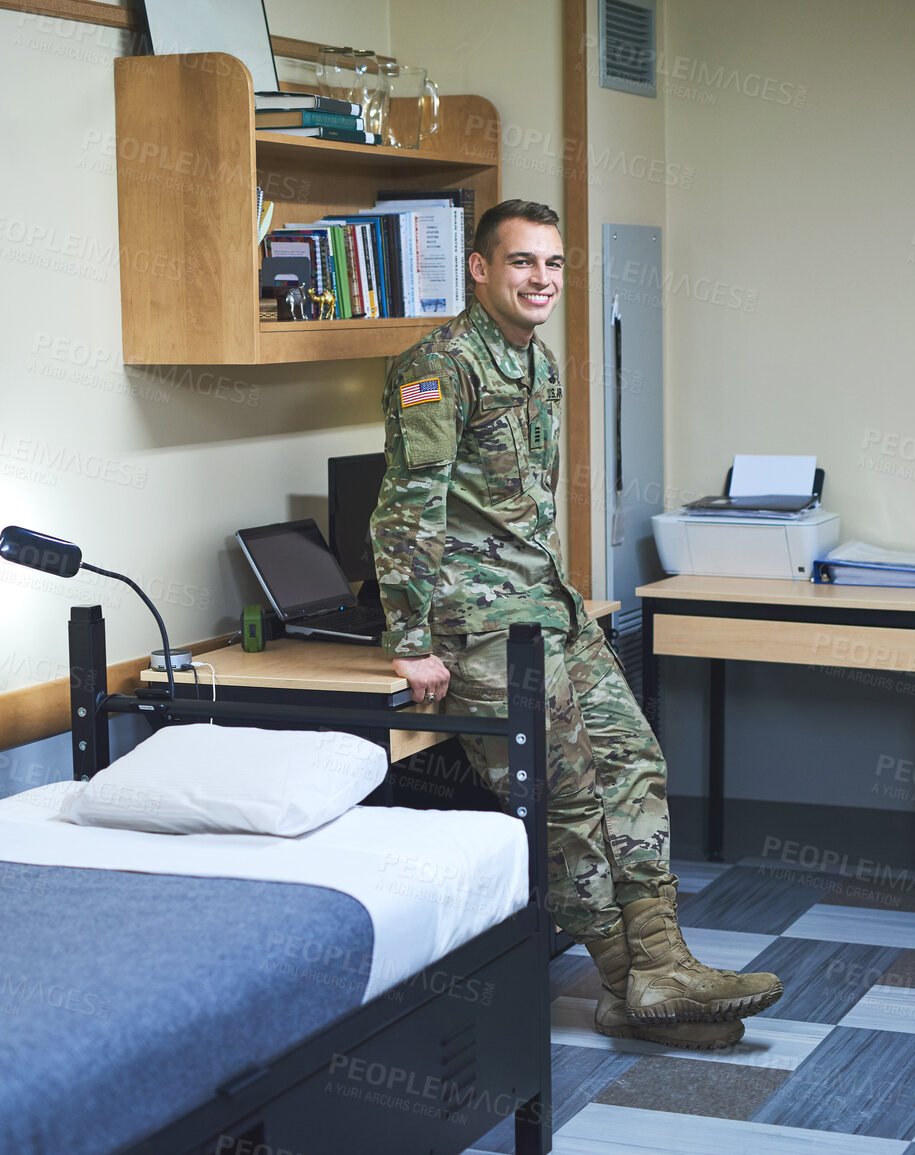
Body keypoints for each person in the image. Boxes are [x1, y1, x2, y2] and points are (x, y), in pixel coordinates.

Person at [368, 199, 783, 1050]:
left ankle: (663, 962)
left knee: (634, 760)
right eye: (522, 262)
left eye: (553, 265)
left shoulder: (539, 361)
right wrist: (410, 641)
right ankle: (628, 984)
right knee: (562, 798)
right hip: (480, 626)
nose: (541, 280)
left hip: (549, 606)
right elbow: (408, 511)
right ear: (480, 269)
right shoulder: (438, 367)